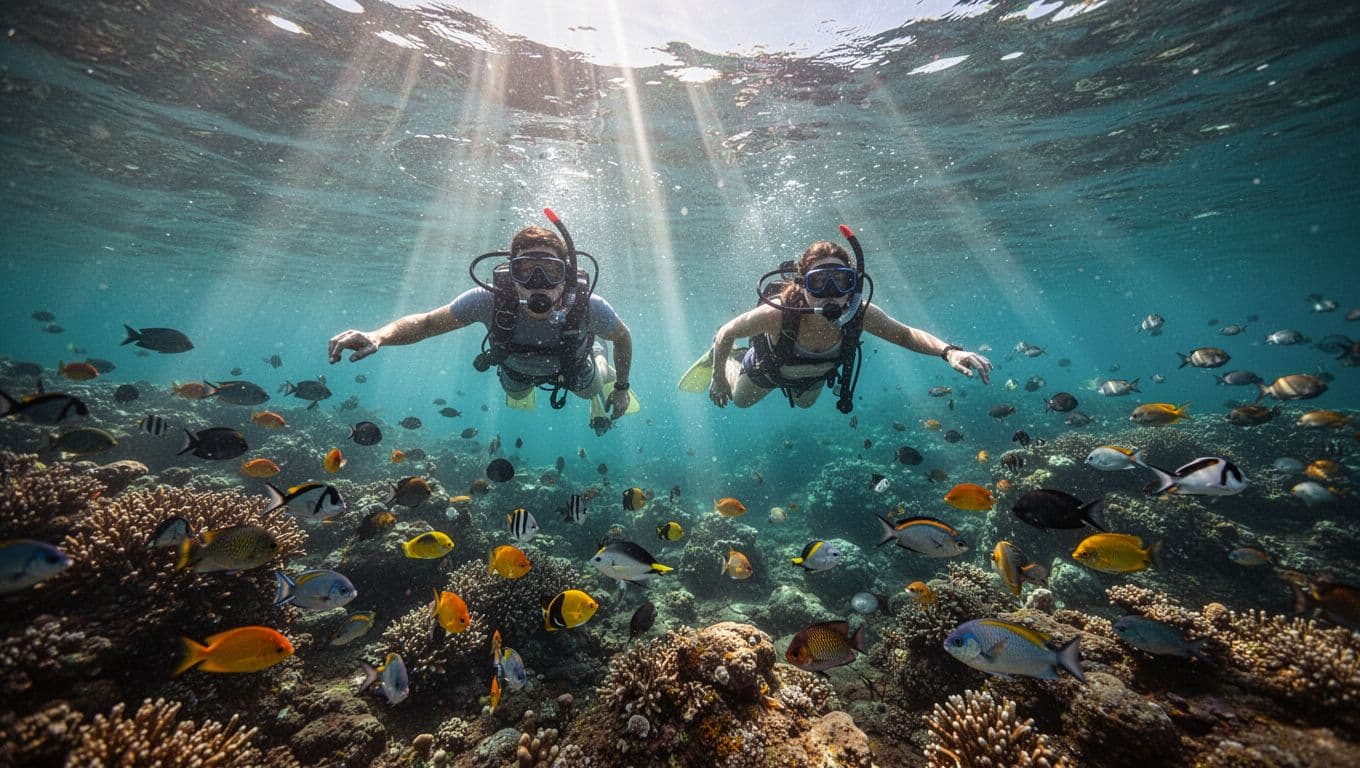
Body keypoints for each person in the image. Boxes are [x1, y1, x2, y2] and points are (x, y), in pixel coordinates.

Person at [328, 211, 634, 434]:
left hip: (574, 367)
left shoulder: (588, 306)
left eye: (550, 271)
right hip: (515, 368)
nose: (537, 282)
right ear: (510, 275)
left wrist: (621, 388)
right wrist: (378, 336)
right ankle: (588, 353)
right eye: (525, 269)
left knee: (590, 388)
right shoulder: (487, 300)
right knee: (516, 393)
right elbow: (426, 323)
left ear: (565, 275)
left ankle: (597, 352)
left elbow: (622, 336)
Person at [694, 229, 990, 410]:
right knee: (740, 401)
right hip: (768, 371)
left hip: (811, 378)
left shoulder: (859, 313)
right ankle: (733, 361)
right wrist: (719, 378)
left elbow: (905, 335)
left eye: (842, 281)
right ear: (802, 286)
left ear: (854, 285)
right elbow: (728, 332)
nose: (831, 293)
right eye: (819, 282)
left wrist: (949, 351)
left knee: (805, 404)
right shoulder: (778, 314)